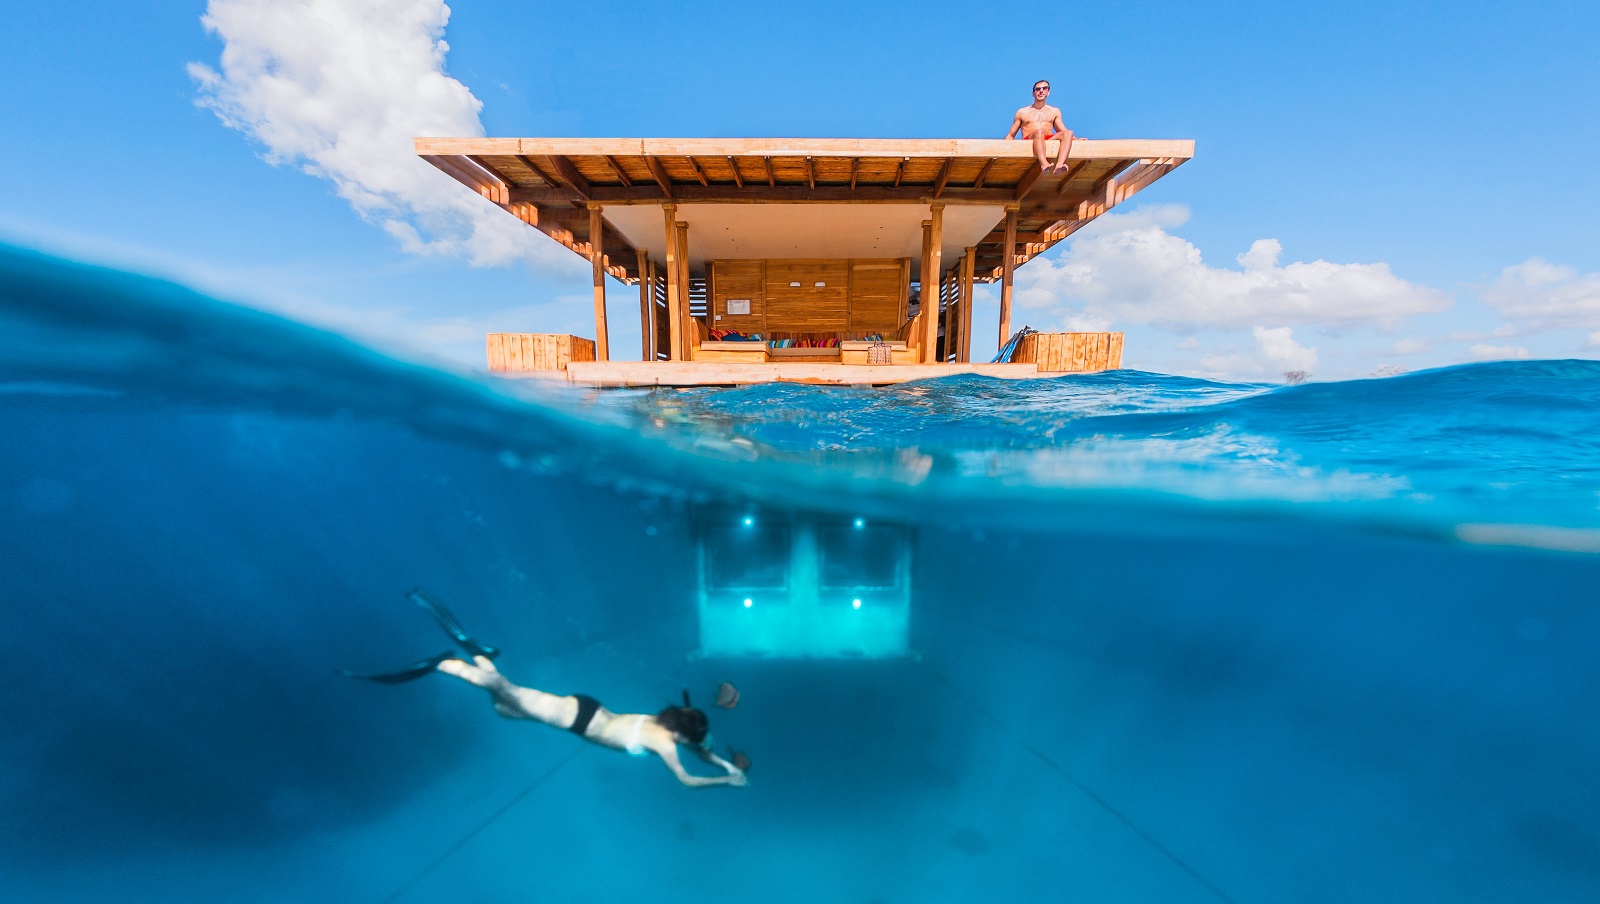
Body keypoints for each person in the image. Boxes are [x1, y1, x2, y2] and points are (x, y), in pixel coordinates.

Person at [342, 590, 748, 789]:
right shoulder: (667, 746)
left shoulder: (675, 725)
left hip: (587, 710)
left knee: (504, 708)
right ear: (682, 735)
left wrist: (727, 765)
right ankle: (446, 662)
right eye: (689, 741)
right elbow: (688, 780)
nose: (693, 745)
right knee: (509, 693)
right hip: (576, 718)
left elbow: (705, 748)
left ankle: (482, 654)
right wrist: (724, 782)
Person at [1006, 79, 1074, 173]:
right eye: (1038, 89)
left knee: (1068, 133)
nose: (1041, 91)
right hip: (1030, 139)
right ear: (1033, 93)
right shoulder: (1022, 112)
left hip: (1047, 139)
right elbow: (1011, 135)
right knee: (1039, 132)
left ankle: (1060, 164)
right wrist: (1002, 149)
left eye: (1044, 88)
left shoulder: (1054, 111)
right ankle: (1044, 164)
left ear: (1048, 92)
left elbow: (1062, 130)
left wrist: (1077, 140)